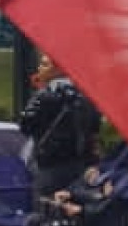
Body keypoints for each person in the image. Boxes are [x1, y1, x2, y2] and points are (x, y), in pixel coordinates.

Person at [19, 55, 101, 200]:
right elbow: (94, 128)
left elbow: (26, 125)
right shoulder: (87, 95)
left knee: (46, 205)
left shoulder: (45, 94)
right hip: (81, 164)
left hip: (50, 163)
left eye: (45, 65)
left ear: (59, 69)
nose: (39, 68)